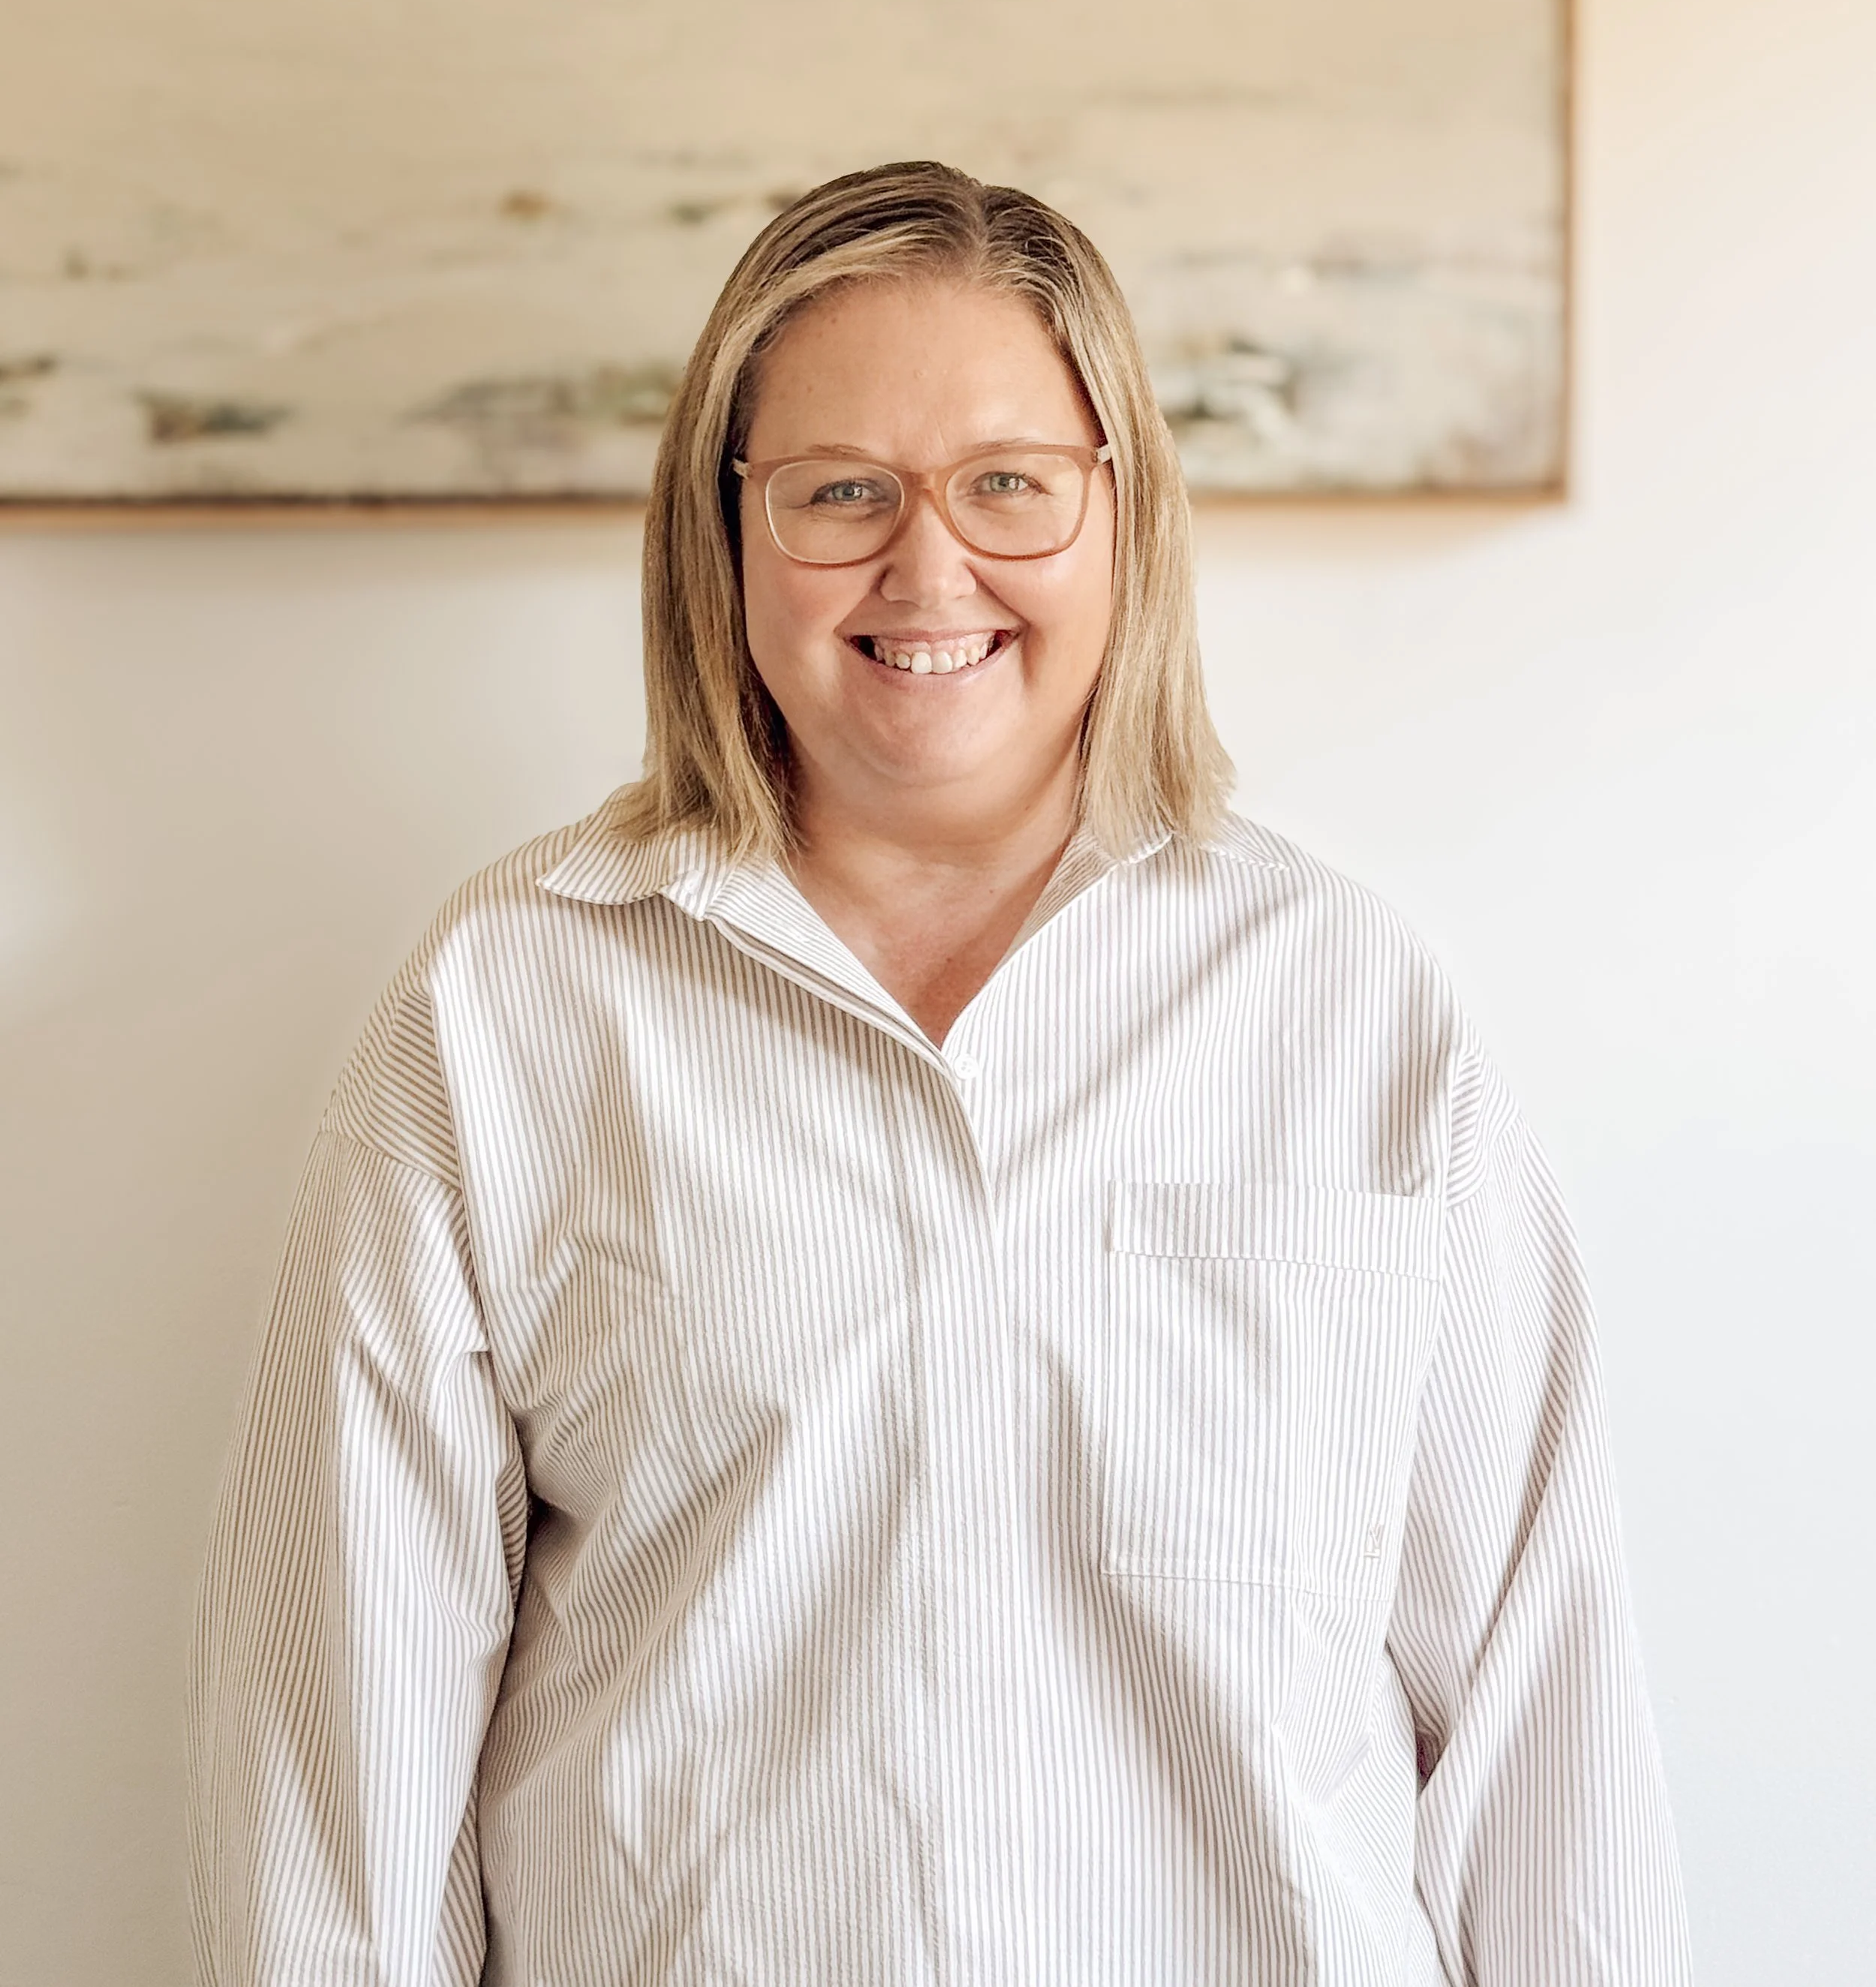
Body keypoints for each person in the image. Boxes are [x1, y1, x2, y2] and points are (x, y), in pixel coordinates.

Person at [189, 163, 1691, 1984]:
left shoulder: (1353, 1010)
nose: (927, 565)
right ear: (721, 532)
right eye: (838, 493)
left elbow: (1542, 1712)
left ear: (1118, 515)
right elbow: (334, 1762)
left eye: (1007, 484)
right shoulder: (506, 1012)